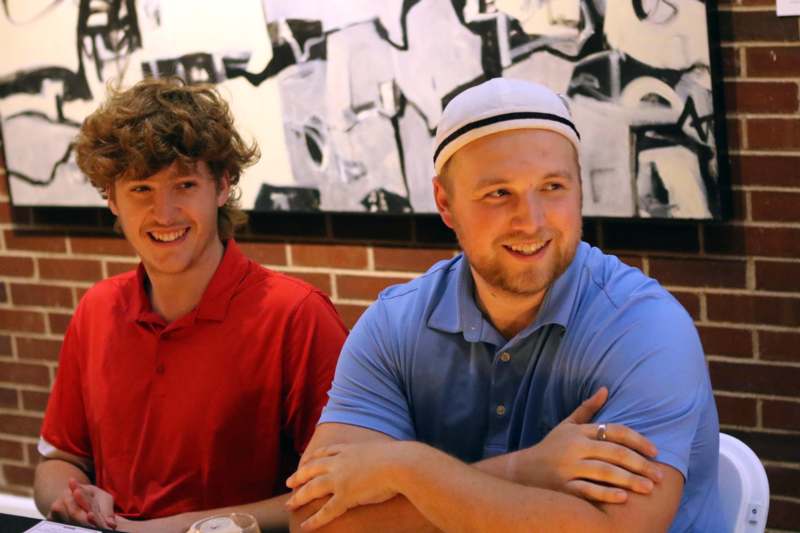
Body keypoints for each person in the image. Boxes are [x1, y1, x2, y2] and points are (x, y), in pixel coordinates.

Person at [286, 78, 723, 532]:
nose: (531, 221)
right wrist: (529, 469)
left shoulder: (643, 328)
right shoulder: (393, 326)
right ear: (445, 202)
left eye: (553, 187)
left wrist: (407, 469)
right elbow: (317, 518)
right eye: (499, 193)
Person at [33, 77, 348, 532]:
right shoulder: (97, 309)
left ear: (222, 186)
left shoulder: (297, 315)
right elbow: (58, 461)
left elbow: (338, 492)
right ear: (111, 198)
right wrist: (74, 497)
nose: (164, 213)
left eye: (184, 184)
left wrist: (174, 529)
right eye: (142, 189)